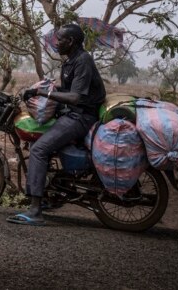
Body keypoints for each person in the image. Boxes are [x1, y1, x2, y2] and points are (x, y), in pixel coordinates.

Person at [7, 23, 106, 226]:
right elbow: (68, 88)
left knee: (39, 149)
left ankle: (35, 211)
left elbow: (75, 97)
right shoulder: (72, 61)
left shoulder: (83, 61)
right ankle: (48, 195)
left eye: (60, 39)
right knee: (37, 144)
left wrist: (44, 93)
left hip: (81, 117)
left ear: (70, 41)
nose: (56, 42)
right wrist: (40, 88)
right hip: (73, 114)